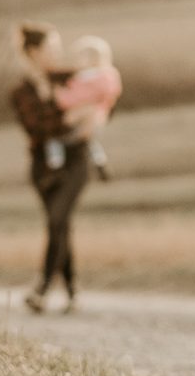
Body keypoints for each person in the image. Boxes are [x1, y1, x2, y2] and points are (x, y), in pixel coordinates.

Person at [10, 23, 90, 315]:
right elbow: (38, 128)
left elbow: (104, 95)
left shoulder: (71, 79)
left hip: (76, 160)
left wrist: (92, 116)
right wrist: (70, 118)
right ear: (34, 52)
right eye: (52, 48)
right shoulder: (21, 91)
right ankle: (72, 291)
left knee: (58, 220)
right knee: (60, 224)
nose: (58, 53)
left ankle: (42, 287)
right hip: (43, 167)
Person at [47, 36, 123, 181]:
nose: (76, 61)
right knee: (90, 141)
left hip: (81, 117)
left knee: (55, 137)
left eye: (80, 57)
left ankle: (56, 166)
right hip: (97, 117)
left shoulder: (86, 79)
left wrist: (59, 95)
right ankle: (100, 163)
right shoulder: (109, 77)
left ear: (92, 59)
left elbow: (73, 98)